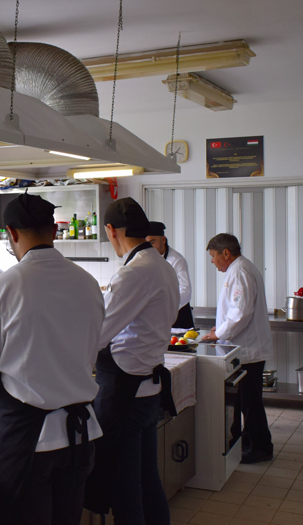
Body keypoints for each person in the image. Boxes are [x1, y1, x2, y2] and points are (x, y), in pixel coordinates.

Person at [0, 193, 104, 525]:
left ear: (11, 233)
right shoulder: (88, 283)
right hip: (80, 436)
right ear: (53, 231)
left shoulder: (2, 288)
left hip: (30, 440)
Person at [85, 197, 179, 525]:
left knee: (123, 487)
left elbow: (97, 334)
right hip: (148, 390)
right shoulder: (162, 266)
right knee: (147, 480)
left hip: (125, 395)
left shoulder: (134, 273)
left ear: (111, 230)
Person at [201, 233, 274, 464]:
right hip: (244, 347)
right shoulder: (238, 269)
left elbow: (241, 313)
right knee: (243, 400)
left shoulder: (240, 271)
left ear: (226, 253)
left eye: (213, 256)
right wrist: (221, 327)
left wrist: (219, 333)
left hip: (248, 350)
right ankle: (245, 440)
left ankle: (261, 447)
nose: (212, 261)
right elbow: (235, 309)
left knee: (250, 402)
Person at [146, 221, 194, 328]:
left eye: (152, 242)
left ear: (163, 239)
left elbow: (185, 291)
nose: (150, 248)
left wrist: (168, 307)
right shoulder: (147, 259)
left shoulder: (177, 260)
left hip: (178, 315)